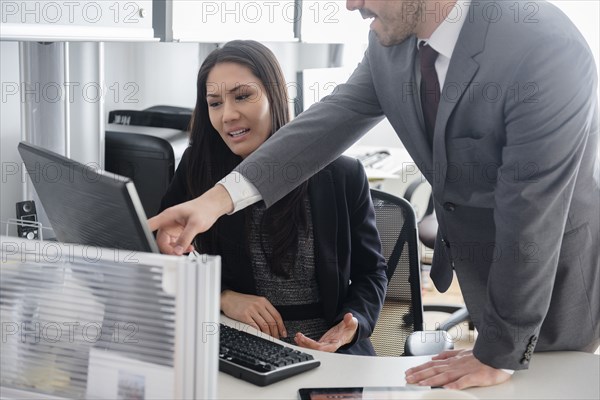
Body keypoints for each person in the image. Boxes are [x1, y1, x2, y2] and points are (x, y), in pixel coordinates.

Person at [149, 0, 600, 389]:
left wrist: (499, 350)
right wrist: (214, 202)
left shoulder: (544, 49)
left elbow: (531, 213)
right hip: (486, 280)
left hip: (554, 276)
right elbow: (329, 122)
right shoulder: (392, 44)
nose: (349, 5)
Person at [156, 40, 387, 356]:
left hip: (327, 353)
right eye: (214, 103)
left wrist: (353, 322)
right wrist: (221, 297)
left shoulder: (340, 174)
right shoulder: (199, 168)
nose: (228, 115)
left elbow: (371, 273)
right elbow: (165, 260)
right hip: (237, 347)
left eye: (242, 96)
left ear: (275, 95)